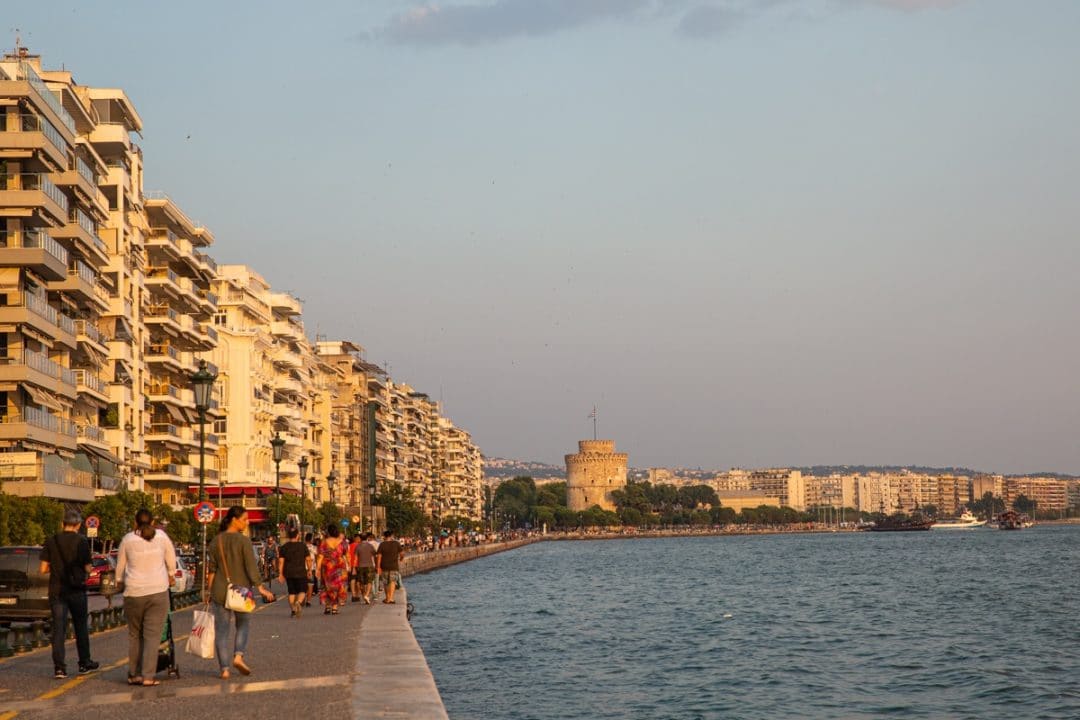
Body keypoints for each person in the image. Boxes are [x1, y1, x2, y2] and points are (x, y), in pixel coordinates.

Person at [205, 506, 275, 679]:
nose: (247, 522)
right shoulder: (244, 541)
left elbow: (211, 570)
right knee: (243, 625)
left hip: (220, 590)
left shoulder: (216, 541)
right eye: (245, 519)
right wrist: (260, 587)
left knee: (221, 631)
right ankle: (238, 656)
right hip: (242, 590)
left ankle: (224, 669)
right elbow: (251, 567)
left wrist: (209, 591)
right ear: (234, 520)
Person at [115, 508, 177, 686]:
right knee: (152, 635)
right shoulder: (162, 537)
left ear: (135, 522)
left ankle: (134, 674)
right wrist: (171, 573)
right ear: (152, 522)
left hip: (134, 592)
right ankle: (148, 676)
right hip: (158, 591)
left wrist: (119, 581)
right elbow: (171, 558)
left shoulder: (128, 539)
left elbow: (120, 565)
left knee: (135, 634)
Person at [39, 509, 99, 679]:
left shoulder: (51, 541)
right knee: (80, 626)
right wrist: (84, 572)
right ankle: (84, 663)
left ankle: (59, 668)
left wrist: (57, 568)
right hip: (77, 590)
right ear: (79, 525)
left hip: (57, 591)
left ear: (62, 524)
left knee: (58, 629)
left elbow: (43, 568)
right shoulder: (82, 542)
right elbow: (88, 568)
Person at [277, 527, 311, 617]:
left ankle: (293, 610)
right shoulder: (303, 546)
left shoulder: (284, 547)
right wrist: (310, 570)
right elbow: (308, 559)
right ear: (297, 535)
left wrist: (280, 574)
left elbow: (281, 562)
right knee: (303, 590)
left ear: (288, 536)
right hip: (301, 572)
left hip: (288, 573)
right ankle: (298, 602)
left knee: (291, 592)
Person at [316, 525, 349, 615]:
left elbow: (320, 557)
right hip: (340, 566)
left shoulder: (324, 542)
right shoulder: (343, 542)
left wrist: (317, 569)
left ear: (328, 532)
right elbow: (347, 555)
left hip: (327, 566)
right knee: (339, 586)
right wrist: (350, 565)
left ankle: (327, 607)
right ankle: (335, 608)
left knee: (327, 586)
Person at [375, 529, 405, 604]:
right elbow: (402, 554)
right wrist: (401, 559)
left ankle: (387, 598)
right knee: (392, 581)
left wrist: (378, 567)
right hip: (394, 566)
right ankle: (391, 598)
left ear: (384, 536)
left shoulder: (382, 544)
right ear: (391, 536)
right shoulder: (396, 543)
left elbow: (379, 557)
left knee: (385, 582)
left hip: (384, 566)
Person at [353, 532, 378, 604]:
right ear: (367, 538)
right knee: (369, 581)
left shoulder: (357, 546)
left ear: (360, 538)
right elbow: (375, 555)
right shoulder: (370, 546)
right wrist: (376, 565)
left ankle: (364, 595)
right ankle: (367, 595)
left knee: (361, 582)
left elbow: (355, 558)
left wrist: (354, 568)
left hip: (360, 566)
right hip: (370, 566)